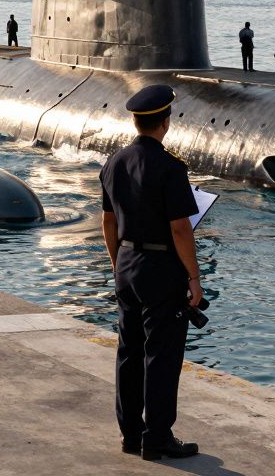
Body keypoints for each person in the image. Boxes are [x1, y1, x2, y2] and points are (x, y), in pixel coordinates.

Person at [100, 84, 203, 461]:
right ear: (165, 121)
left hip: (126, 265)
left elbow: (108, 222)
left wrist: (117, 263)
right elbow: (180, 228)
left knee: (129, 351)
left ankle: (130, 434)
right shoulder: (170, 167)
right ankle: (156, 437)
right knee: (160, 355)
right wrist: (194, 277)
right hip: (161, 270)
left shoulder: (114, 161)